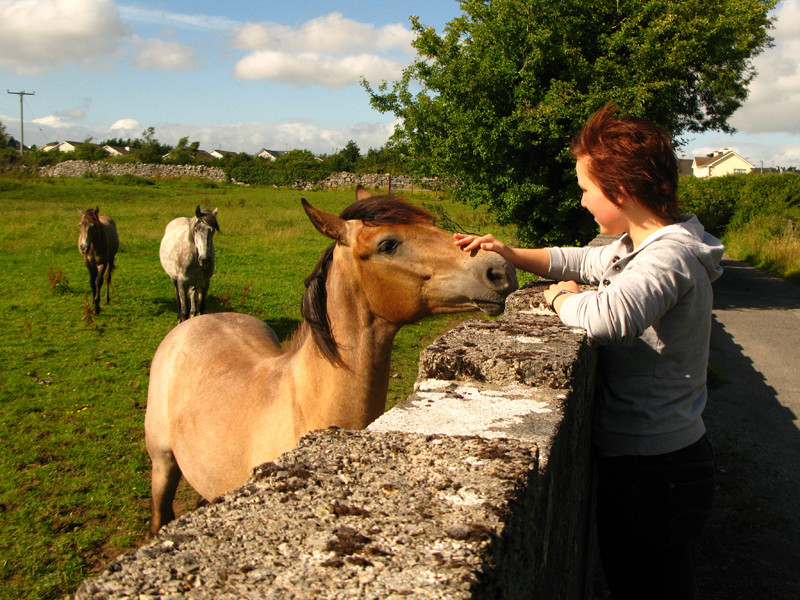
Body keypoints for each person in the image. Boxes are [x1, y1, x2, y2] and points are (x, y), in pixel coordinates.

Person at [455, 103, 724, 600]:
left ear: (619, 192)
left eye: (585, 190)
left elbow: (607, 318)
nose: (581, 202)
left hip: (656, 469)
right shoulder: (637, 244)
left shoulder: (669, 254)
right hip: (650, 462)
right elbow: (576, 257)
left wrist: (561, 298)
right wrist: (511, 254)